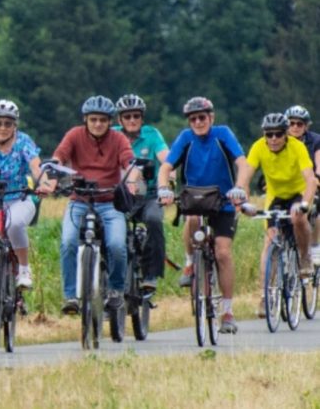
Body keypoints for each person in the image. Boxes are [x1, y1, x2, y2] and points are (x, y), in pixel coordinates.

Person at [157, 96, 246, 334]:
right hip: (195, 198)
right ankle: (190, 263)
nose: (198, 122)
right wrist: (164, 188)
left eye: (202, 117)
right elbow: (166, 167)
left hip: (224, 201)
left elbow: (242, 163)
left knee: (223, 252)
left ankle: (227, 311)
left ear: (211, 117)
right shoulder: (186, 139)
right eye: (193, 119)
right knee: (192, 218)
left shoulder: (223, 134)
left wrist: (240, 187)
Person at [51, 96, 138, 317]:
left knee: (117, 244)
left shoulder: (118, 139)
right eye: (93, 120)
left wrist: (131, 180)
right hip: (79, 201)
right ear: (85, 120)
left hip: (110, 202)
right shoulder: (74, 135)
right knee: (68, 242)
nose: (98, 124)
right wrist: (53, 175)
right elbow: (59, 157)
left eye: (102, 120)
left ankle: (116, 290)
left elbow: (130, 163)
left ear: (110, 121)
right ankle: (70, 296)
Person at [0, 100, 45, 334]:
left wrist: (42, 181)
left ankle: (23, 269)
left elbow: (36, 166)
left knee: (13, 224)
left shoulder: (23, 141)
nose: (3, 127)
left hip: (19, 199)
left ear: (15, 125)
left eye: (8, 123)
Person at [234, 113, 315, 299]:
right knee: (270, 242)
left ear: (286, 134)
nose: (273, 139)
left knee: (298, 218)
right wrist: (244, 201)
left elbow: (310, 179)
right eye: (269, 135)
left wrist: (304, 204)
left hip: (297, 193)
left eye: (278, 134)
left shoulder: (297, 147)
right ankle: (266, 296)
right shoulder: (258, 147)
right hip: (275, 196)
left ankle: (304, 258)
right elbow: (245, 177)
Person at [112, 94, 169, 291]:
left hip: (149, 194)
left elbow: (166, 159)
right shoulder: (113, 136)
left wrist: (169, 180)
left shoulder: (152, 135)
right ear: (120, 120)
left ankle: (151, 274)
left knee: (153, 219)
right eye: (127, 117)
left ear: (142, 118)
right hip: (121, 196)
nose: (132, 120)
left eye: (136, 116)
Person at [284, 105, 320, 266]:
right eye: (291, 123)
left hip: (310, 183)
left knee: (315, 214)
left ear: (306, 126)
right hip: (288, 186)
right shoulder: (278, 140)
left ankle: (314, 246)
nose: (295, 127)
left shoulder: (315, 141)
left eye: (299, 124)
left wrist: (317, 177)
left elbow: (319, 163)